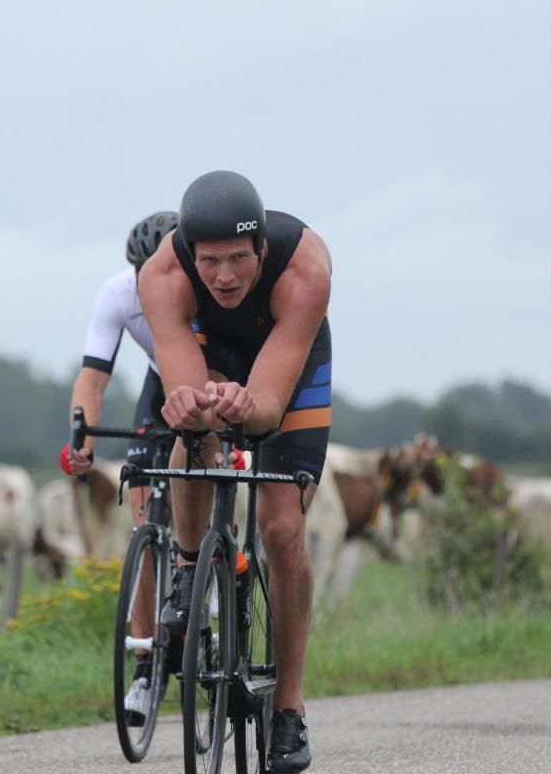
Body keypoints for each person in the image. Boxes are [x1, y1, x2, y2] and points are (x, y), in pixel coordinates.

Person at [138, 170, 331, 773]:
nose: (225, 277)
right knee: (193, 434)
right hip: (212, 352)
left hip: (288, 368)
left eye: (240, 260)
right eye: (212, 262)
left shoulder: (305, 269)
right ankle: (191, 570)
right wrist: (188, 403)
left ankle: (289, 711)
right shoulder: (162, 278)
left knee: (280, 530)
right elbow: (182, 384)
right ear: (191, 255)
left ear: (263, 251)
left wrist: (253, 406)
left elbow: (269, 408)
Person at [65, 209, 178, 724]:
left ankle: (214, 574)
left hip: (212, 376)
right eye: (143, 276)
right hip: (161, 387)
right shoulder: (117, 293)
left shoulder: (202, 289)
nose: (152, 285)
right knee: (143, 517)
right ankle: (144, 666)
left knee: (209, 469)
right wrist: (81, 437)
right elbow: (93, 379)